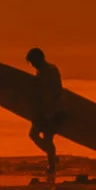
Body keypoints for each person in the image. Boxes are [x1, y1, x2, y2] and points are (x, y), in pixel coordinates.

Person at [24, 47, 64, 178]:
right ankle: (52, 159)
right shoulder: (40, 71)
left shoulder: (51, 70)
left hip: (51, 111)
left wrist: (51, 106)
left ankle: (52, 165)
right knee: (35, 135)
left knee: (46, 137)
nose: (32, 64)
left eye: (32, 61)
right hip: (42, 110)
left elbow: (57, 89)